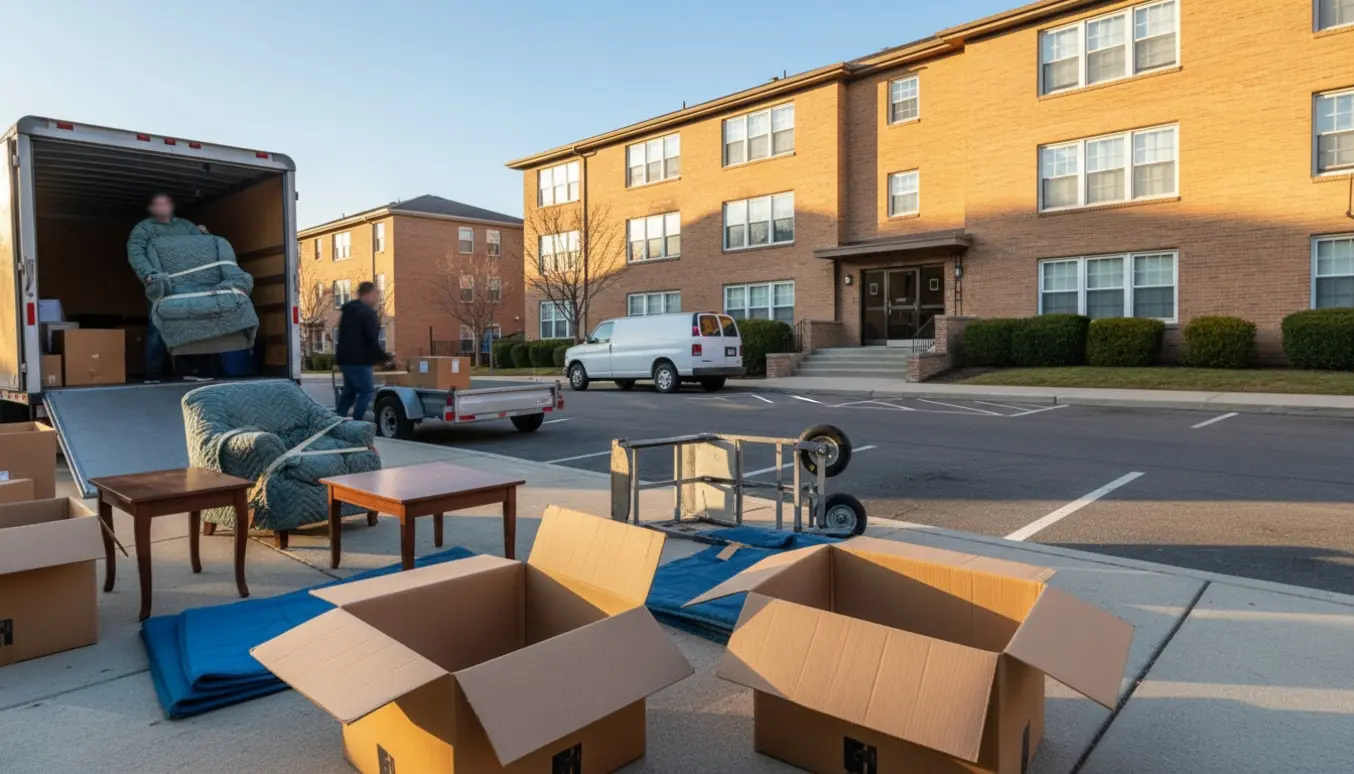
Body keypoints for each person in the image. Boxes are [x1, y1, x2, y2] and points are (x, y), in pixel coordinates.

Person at [127, 192, 209, 383]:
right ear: (151, 209)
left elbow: (204, 246)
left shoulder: (185, 226)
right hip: (160, 284)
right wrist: (149, 275)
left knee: (187, 325)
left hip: (187, 284)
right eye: (158, 204)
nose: (163, 207)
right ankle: (153, 374)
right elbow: (136, 252)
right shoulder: (144, 229)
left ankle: (190, 370)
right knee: (158, 327)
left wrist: (205, 234)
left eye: (166, 204)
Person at [335, 281, 390, 421]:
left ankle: (336, 422)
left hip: (345, 360)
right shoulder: (366, 313)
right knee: (366, 392)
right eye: (376, 293)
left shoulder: (348, 311)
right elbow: (371, 340)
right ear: (368, 294)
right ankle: (357, 424)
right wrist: (386, 358)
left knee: (349, 393)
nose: (377, 297)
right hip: (359, 361)